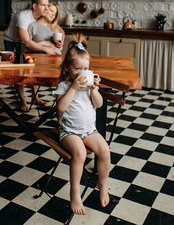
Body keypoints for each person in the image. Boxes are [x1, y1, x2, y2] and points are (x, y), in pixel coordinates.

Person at [53, 33, 111, 215]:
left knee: (105, 151)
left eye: (85, 68)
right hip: (69, 132)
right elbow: (61, 108)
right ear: (68, 69)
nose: (82, 72)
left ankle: (102, 185)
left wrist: (94, 90)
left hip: (89, 131)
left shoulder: (89, 86)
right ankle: (75, 193)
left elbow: (99, 104)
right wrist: (73, 88)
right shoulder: (64, 86)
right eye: (77, 69)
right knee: (79, 153)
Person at [4, 0, 58, 112]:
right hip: (13, 42)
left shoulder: (41, 17)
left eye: (47, 5)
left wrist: (57, 40)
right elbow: (26, 42)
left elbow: (56, 27)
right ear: (34, 6)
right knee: (18, 71)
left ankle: (35, 97)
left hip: (28, 42)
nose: (46, 8)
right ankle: (23, 101)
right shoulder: (23, 16)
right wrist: (46, 48)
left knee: (34, 67)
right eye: (43, 5)